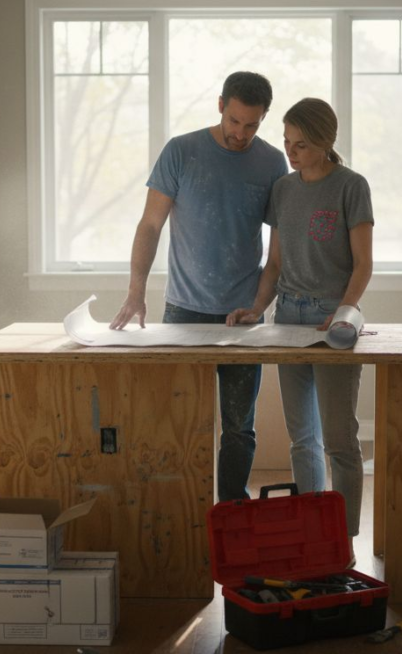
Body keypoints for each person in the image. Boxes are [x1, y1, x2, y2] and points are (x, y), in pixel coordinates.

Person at [110, 72, 288, 502]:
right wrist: (136, 292)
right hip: (183, 312)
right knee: (177, 420)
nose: (240, 133)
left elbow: (280, 249)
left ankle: (231, 510)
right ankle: (181, 510)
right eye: (234, 120)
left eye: (252, 125)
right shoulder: (181, 151)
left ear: (264, 119)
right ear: (220, 104)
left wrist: (260, 306)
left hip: (242, 317)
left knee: (239, 428)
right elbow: (150, 225)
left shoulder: (271, 163)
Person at [226, 98, 373, 563]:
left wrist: (345, 309)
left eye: (301, 145)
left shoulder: (351, 186)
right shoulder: (285, 189)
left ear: (326, 143)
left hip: (334, 322)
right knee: (302, 438)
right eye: (287, 142)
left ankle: (343, 542)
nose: (290, 151)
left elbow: (364, 263)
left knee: (340, 440)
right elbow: (274, 264)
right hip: (287, 317)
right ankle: (315, 533)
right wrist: (255, 308)